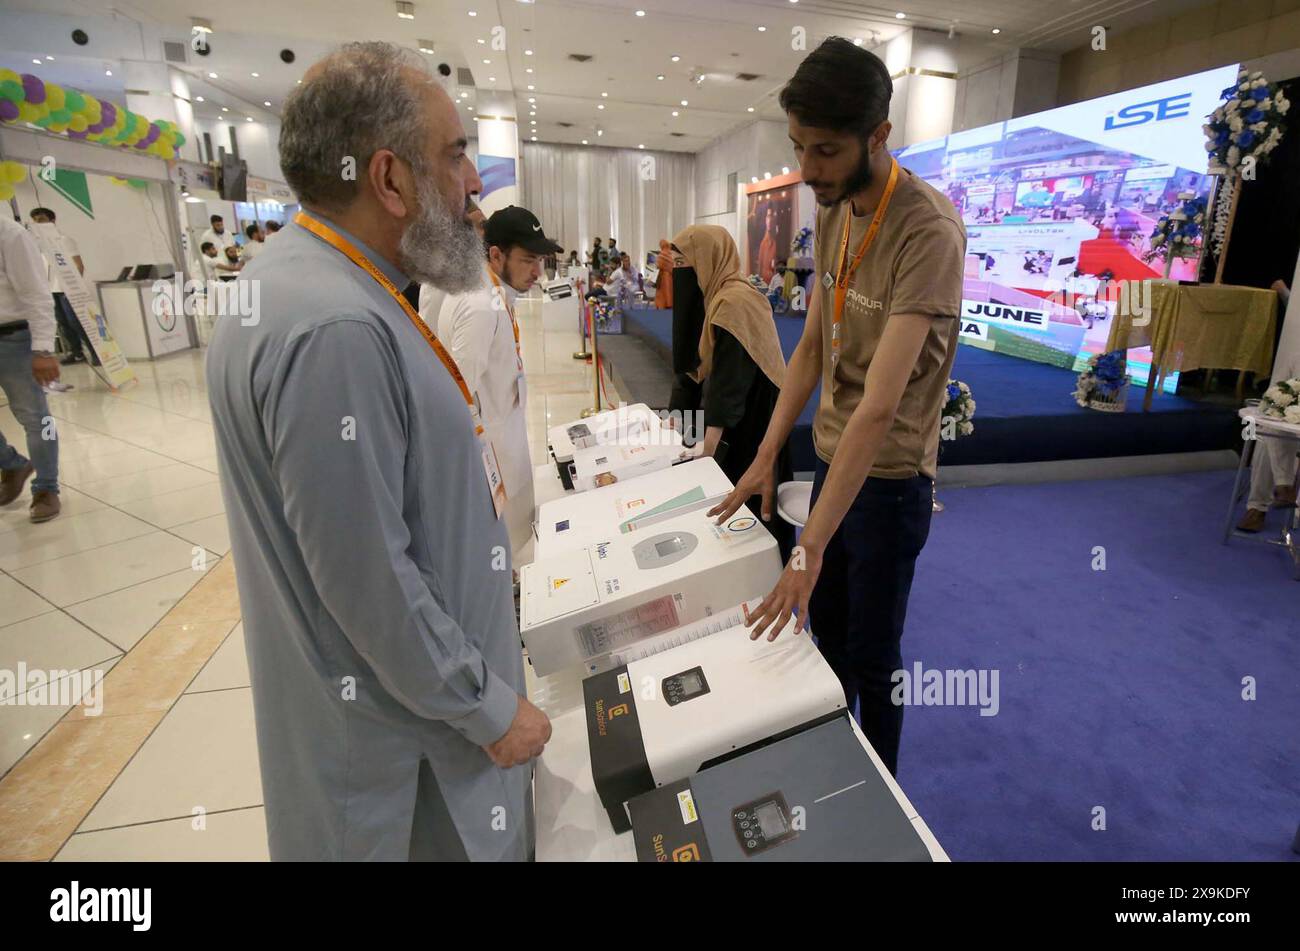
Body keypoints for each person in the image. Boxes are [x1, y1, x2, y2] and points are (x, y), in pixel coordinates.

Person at [206, 41, 548, 862]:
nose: (475, 185)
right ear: (389, 179)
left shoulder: (317, 287)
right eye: (458, 154)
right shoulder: (337, 330)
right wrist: (490, 709)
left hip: (402, 747)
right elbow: (371, 583)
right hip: (409, 779)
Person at [709, 37, 966, 777]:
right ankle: (837, 761)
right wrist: (762, 456)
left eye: (823, 150)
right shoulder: (832, 211)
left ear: (878, 135)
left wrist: (807, 546)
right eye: (798, 147)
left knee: (874, 654)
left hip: (887, 479)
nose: (807, 169)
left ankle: (882, 787)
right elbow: (814, 350)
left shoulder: (927, 231)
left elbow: (880, 407)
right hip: (831, 462)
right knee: (824, 632)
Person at [437, 205, 559, 559]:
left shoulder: (491, 295)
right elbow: (454, 399)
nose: (538, 271)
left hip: (505, 439)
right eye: (528, 260)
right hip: (490, 462)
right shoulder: (480, 306)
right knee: (501, 553)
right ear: (495, 254)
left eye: (540, 260)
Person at [670, 224, 793, 561]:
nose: (678, 273)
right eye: (675, 266)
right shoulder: (718, 296)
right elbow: (695, 368)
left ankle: (770, 584)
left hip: (756, 426)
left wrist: (707, 455)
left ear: (707, 258)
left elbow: (729, 387)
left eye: (684, 264)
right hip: (743, 420)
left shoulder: (734, 303)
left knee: (754, 516)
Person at [0, 214, 61, 522]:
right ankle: (12, 464)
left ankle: (46, 488)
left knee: (35, 418)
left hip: (13, 338)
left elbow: (37, 294)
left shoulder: (9, 234)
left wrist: (43, 349)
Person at [28, 208, 95, 367]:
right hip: (51, 290)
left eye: (42, 219)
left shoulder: (64, 240)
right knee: (62, 322)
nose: (38, 223)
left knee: (76, 322)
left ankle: (94, 352)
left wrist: (74, 288)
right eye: (35, 220)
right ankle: (76, 352)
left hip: (67, 289)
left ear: (52, 221)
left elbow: (79, 265)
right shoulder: (38, 245)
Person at [418, 198, 484, 328]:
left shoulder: (473, 265)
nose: (483, 233)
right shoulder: (441, 277)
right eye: (475, 227)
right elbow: (430, 328)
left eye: (483, 225)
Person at [654, 238, 673, 309]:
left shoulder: (661, 255)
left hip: (663, 278)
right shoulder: (671, 254)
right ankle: (669, 303)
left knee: (662, 293)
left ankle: (662, 304)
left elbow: (658, 265)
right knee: (669, 291)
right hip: (671, 277)